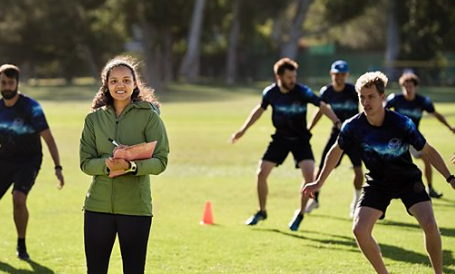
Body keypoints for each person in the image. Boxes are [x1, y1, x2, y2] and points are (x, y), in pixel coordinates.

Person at [302, 71, 455, 274]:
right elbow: (336, 151)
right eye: (362, 97)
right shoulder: (352, 126)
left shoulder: (401, 123)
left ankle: (439, 272)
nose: (366, 102)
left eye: (371, 97)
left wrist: (450, 178)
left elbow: (427, 151)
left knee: (429, 223)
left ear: (382, 97)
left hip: (408, 180)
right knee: (359, 230)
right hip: (378, 183)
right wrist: (319, 182)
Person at [80, 56, 169, 274]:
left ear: (135, 83)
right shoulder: (93, 120)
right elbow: (85, 162)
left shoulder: (149, 116)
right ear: (106, 85)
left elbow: (161, 160)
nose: (120, 85)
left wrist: (132, 167)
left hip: (135, 208)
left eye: (126, 80)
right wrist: (107, 164)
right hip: (97, 207)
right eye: (114, 81)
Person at [230, 57, 341, 231]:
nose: (293, 80)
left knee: (309, 176)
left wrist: (337, 122)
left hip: (300, 140)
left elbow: (322, 105)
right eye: (290, 77)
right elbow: (259, 110)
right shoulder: (270, 93)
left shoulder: (302, 91)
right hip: (280, 139)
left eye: (294, 76)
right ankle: (262, 211)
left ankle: (301, 213)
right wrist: (243, 130)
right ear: (279, 77)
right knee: (261, 173)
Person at [0, 64, 65, 261]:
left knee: (18, 198)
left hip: (29, 161)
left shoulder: (31, 107)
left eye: (11, 83)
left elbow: (49, 138)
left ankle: (21, 244)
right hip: (4, 159)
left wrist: (58, 167)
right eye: (3, 83)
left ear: (17, 83)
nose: (7, 87)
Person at [306, 60, 363, 217]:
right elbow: (320, 110)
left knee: (358, 170)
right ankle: (315, 199)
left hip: (354, 137)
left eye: (343, 74)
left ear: (347, 75)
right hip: (336, 136)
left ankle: (356, 202)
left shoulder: (353, 91)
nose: (340, 77)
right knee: (322, 167)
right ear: (332, 74)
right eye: (337, 74)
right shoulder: (327, 91)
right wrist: (309, 128)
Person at [385, 72, 455, 198]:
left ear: (415, 87)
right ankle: (390, 189)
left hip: (413, 137)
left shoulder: (422, 101)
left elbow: (436, 114)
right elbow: (382, 112)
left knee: (427, 159)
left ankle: (430, 188)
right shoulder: (395, 99)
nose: (408, 89)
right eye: (405, 86)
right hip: (396, 138)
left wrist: (449, 126)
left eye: (410, 86)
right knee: (393, 164)